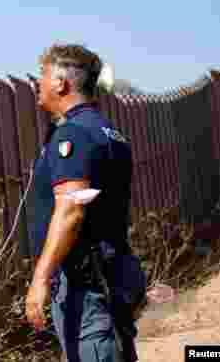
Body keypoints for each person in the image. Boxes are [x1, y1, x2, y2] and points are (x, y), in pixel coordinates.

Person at [25, 44, 146, 362]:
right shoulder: (109, 132)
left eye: (43, 76)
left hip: (87, 284)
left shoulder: (73, 136)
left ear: (60, 83)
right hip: (113, 273)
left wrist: (40, 279)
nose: (38, 83)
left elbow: (71, 212)